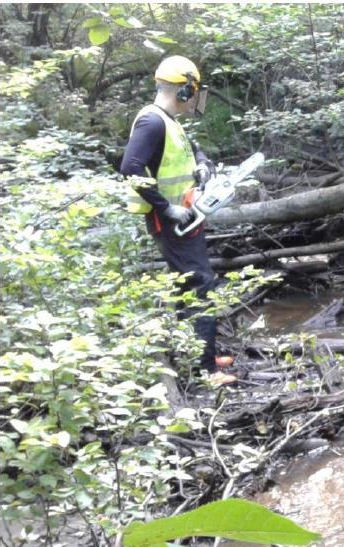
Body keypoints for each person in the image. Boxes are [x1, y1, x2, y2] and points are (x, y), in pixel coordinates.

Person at [120, 55, 235, 386]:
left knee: (194, 283)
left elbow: (193, 150)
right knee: (198, 285)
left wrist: (202, 164)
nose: (196, 98)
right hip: (171, 221)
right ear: (184, 91)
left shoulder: (169, 121)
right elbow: (130, 167)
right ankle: (204, 371)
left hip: (188, 216)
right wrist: (164, 207)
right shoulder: (152, 122)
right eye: (193, 91)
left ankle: (203, 354)